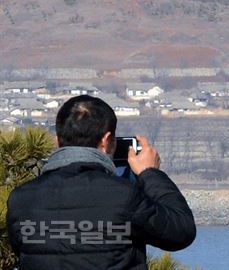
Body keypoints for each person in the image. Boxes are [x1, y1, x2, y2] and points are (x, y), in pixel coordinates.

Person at [6, 95, 196, 269]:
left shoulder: (21, 199)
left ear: (57, 140)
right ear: (106, 140)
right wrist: (150, 173)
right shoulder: (123, 196)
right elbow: (180, 231)